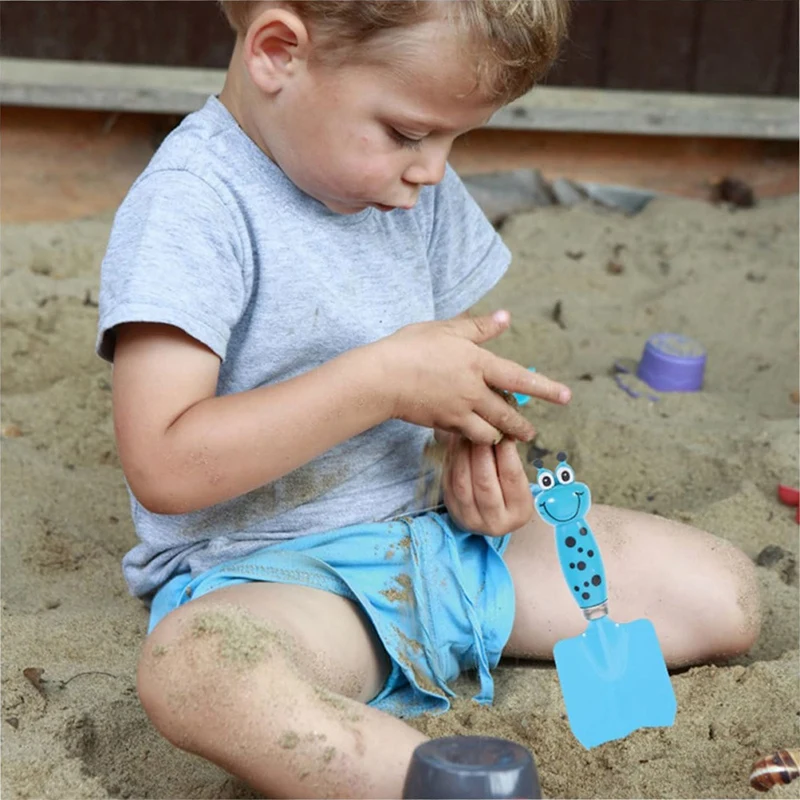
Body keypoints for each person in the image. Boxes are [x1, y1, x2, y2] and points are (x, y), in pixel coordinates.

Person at [96, 1, 761, 796]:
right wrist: (379, 382)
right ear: (279, 53)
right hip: (275, 583)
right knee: (201, 669)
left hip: (439, 549)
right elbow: (163, 462)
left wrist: (470, 454)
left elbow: (437, 374)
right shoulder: (192, 205)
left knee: (722, 594)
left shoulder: (410, 191)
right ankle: (438, 782)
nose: (434, 171)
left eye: (457, 138)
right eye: (409, 134)